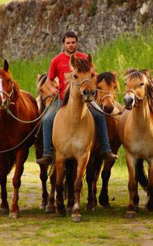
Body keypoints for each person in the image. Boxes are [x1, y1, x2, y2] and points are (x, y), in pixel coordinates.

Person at [36, 31, 118, 165]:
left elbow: (93, 76)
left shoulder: (85, 58)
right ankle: (48, 152)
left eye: (73, 42)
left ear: (77, 43)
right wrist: (53, 90)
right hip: (62, 98)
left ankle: (105, 149)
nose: (70, 45)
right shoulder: (56, 60)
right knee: (46, 119)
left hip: (86, 98)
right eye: (68, 43)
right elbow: (50, 80)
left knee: (99, 115)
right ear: (63, 44)